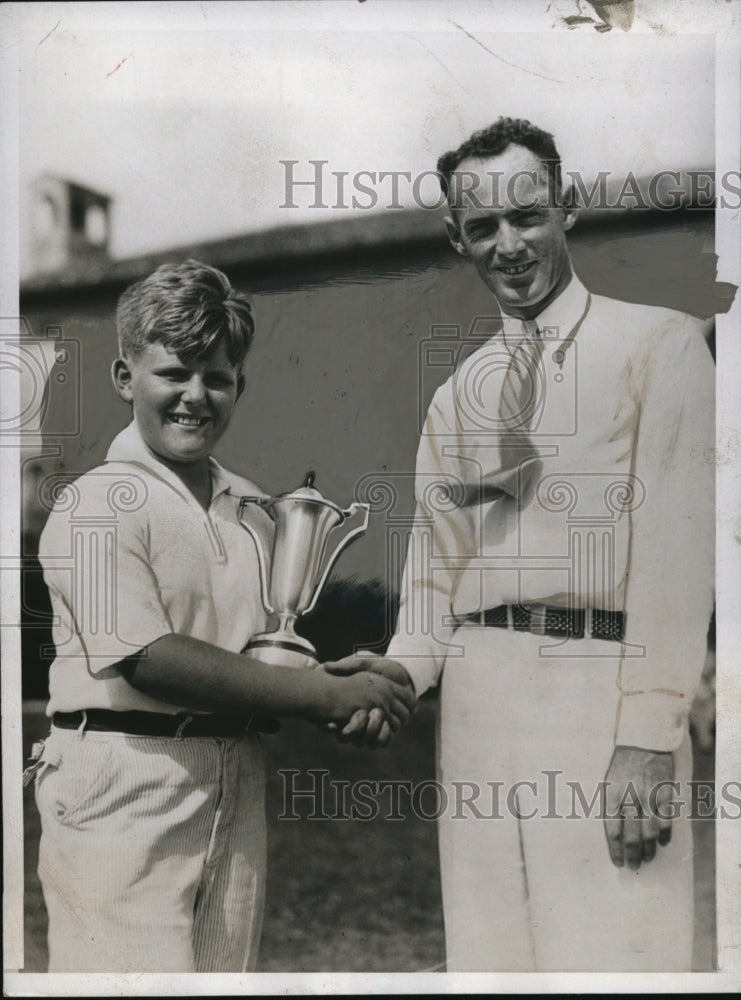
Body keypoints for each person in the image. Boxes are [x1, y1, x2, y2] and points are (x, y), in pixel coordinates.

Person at [333, 118, 715, 971]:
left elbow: (677, 557)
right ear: (456, 238)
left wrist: (648, 737)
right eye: (482, 228)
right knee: (491, 963)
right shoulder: (455, 392)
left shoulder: (660, 346)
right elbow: (432, 582)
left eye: (527, 215)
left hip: (600, 698)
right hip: (475, 710)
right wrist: (391, 677)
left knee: (619, 961)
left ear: (565, 206)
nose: (508, 244)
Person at [31, 259, 414, 973]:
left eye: (216, 377)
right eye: (173, 373)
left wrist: (349, 683)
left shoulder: (253, 508)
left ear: (240, 384)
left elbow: (261, 654)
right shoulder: (94, 504)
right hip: (119, 782)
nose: (194, 396)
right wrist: (322, 697)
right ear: (125, 379)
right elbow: (150, 657)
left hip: (232, 781)